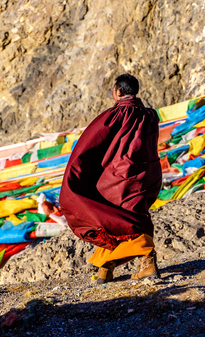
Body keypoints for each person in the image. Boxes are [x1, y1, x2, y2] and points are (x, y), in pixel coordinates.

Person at [59, 74, 163, 284]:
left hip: (119, 177)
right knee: (129, 216)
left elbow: (89, 145)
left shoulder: (114, 115)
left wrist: (78, 171)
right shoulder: (150, 116)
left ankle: (135, 265)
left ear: (117, 91)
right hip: (145, 174)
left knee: (114, 218)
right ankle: (110, 267)